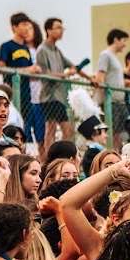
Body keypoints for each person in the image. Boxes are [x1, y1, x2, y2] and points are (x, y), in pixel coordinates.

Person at [35, 18, 84, 157]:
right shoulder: (42, 50)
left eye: (62, 28)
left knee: (68, 131)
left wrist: (90, 78)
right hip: (49, 97)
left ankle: (63, 157)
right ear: (48, 30)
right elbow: (43, 73)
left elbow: (73, 66)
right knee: (50, 130)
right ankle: (49, 160)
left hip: (60, 97)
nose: (61, 30)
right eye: (57, 27)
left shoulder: (57, 51)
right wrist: (64, 74)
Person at [0, 14, 43, 147]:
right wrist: (28, 69)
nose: (27, 28)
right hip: (12, 93)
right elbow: (1, 68)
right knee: (12, 125)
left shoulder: (26, 49)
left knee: (25, 128)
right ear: (14, 27)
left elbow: (30, 71)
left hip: (26, 94)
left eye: (28, 25)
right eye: (23, 25)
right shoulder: (6, 46)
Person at [96, 29, 129, 143]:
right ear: (116, 39)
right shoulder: (105, 55)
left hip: (119, 102)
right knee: (113, 133)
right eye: (124, 40)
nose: (125, 44)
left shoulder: (114, 57)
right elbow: (100, 77)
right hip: (110, 102)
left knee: (121, 134)